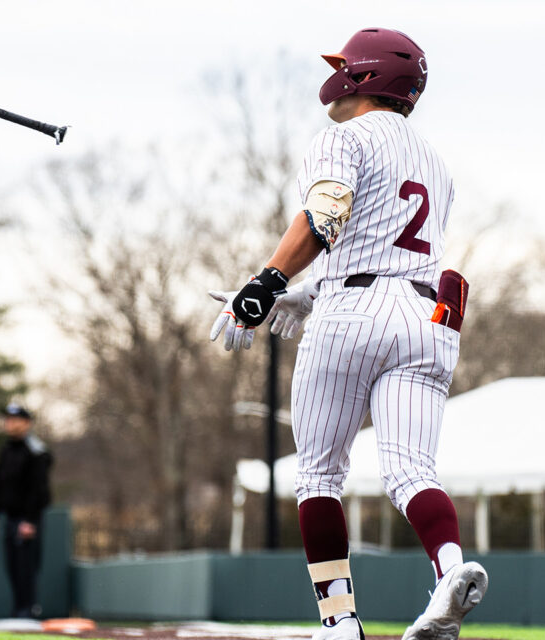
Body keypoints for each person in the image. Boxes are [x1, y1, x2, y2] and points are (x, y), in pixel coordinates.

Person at [208, 27, 485, 640]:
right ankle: (448, 571)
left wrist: (268, 283)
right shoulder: (435, 163)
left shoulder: (344, 136)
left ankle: (339, 622)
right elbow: (387, 249)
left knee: (318, 475)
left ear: (363, 77)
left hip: (354, 316)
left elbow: (326, 216)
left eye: (344, 66)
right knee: (412, 471)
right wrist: (310, 292)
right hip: (428, 316)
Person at [0, 403, 53, 619]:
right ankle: (18, 609)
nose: (9, 424)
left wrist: (30, 520)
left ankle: (29, 609)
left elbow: (38, 489)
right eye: (7, 420)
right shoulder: (6, 450)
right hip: (10, 517)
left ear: (26, 423)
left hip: (28, 519)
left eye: (14, 420)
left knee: (26, 567)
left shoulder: (36, 450)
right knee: (12, 566)